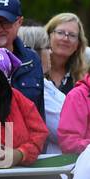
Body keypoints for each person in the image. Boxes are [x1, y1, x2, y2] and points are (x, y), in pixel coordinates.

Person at [19, 27, 63, 155]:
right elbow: (62, 130)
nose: (51, 52)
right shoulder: (33, 90)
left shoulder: (46, 83)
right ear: (34, 51)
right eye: (47, 47)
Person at [43, 12, 88, 96]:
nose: (66, 39)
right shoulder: (35, 70)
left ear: (78, 44)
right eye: (60, 33)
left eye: (72, 35)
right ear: (48, 36)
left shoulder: (83, 79)